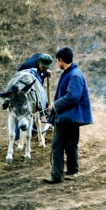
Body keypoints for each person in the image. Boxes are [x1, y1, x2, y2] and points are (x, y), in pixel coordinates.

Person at [43, 46, 93, 184]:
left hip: (70, 117)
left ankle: (64, 173)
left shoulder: (75, 75)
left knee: (64, 146)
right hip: (66, 117)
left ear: (61, 60)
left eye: (58, 60)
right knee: (63, 145)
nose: (57, 63)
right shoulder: (69, 73)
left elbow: (73, 97)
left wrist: (56, 105)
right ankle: (64, 173)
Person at [1, 53, 53, 140]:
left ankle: (34, 133)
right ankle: (17, 138)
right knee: (21, 109)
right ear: (39, 62)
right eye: (43, 67)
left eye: (47, 67)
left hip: (32, 84)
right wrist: (46, 104)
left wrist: (44, 71)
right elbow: (35, 90)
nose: (45, 68)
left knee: (36, 107)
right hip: (21, 87)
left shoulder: (40, 62)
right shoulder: (28, 68)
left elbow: (39, 89)